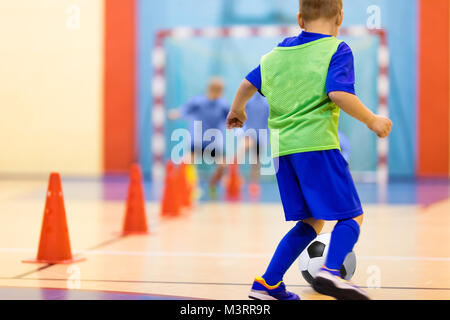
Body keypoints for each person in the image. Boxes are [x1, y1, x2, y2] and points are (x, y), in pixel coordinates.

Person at [226, 0, 392, 300]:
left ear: (300, 19)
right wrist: (372, 120)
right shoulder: (336, 50)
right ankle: (330, 273)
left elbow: (246, 84)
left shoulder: (274, 55)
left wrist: (237, 110)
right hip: (317, 146)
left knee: (312, 221)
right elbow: (339, 93)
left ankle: (268, 283)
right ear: (339, 17)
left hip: (282, 154)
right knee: (352, 217)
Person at [169, 77, 230, 199]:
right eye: (214, 89)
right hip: (198, 139)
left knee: (223, 165)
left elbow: (230, 117)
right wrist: (177, 113)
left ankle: (212, 184)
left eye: (219, 90)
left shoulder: (223, 105)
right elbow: (185, 110)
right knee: (185, 162)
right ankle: (190, 187)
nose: (216, 92)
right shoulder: (198, 101)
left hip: (214, 142)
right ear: (209, 89)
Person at [239, 93, 270, 200]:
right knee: (240, 154)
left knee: (256, 162)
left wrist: (266, 137)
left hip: (260, 135)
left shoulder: (267, 102)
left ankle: (254, 185)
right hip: (248, 133)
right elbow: (241, 114)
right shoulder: (248, 99)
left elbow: (268, 121)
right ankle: (235, 178)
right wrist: (242, 131)